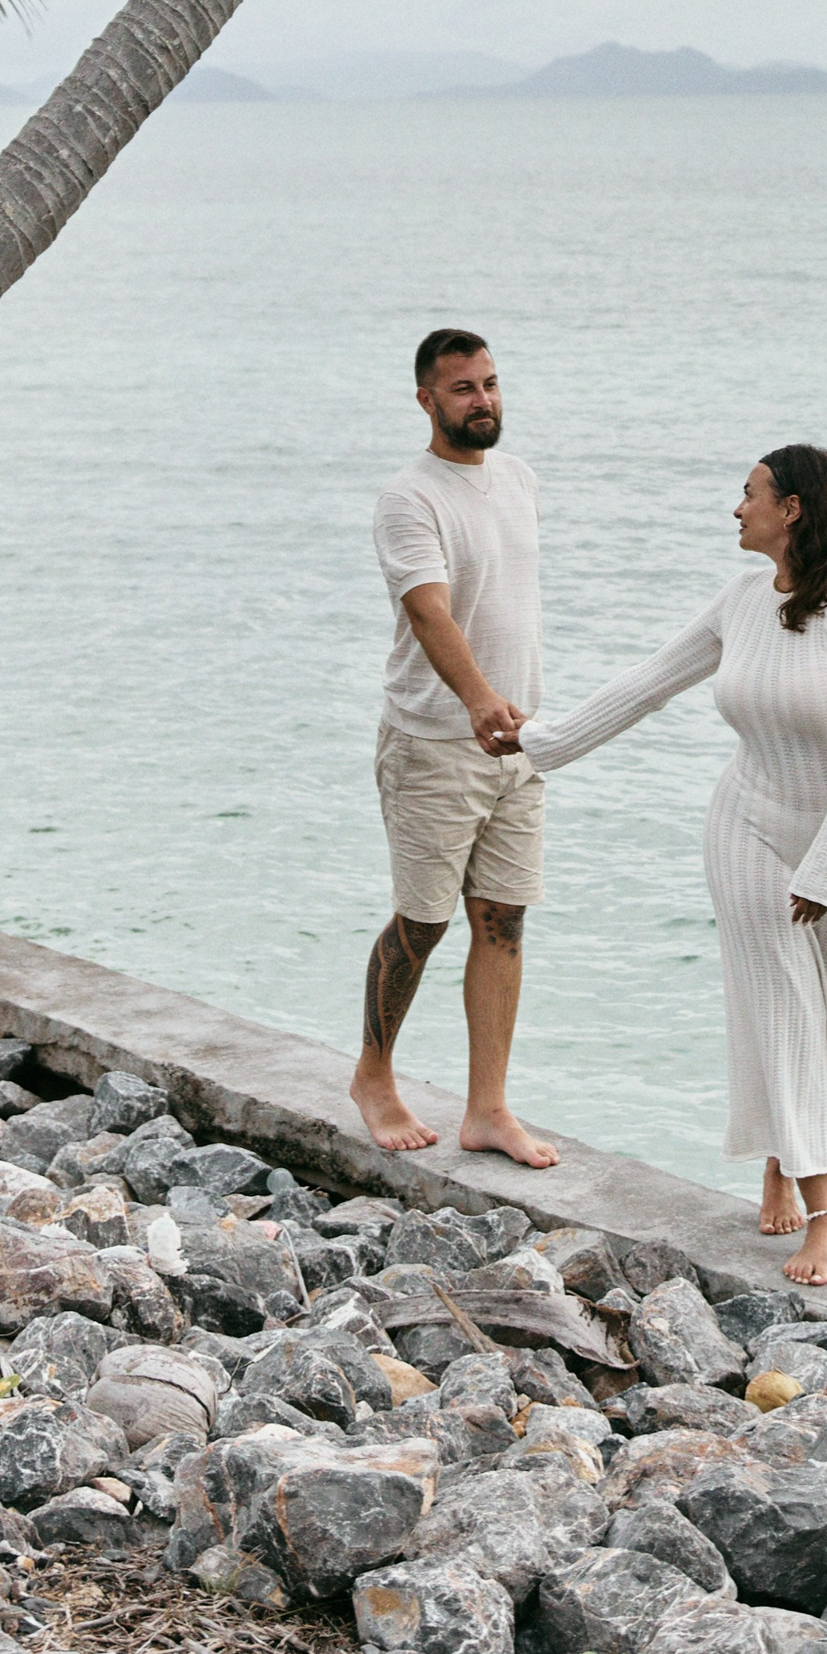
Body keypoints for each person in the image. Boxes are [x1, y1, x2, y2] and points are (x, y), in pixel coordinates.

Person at [512, 444, 827, 1285]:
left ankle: (785, 1159)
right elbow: (653, 680)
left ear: (792, 507)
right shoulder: (739, 597)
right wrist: (537, 744)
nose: (736, 507)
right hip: (750, 820)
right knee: (780, 1000)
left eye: (749, 493)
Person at [348, 328, 559, 1169]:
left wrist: (523, 720)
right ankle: (372, 1074)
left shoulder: (519, 479)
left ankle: (488, 1109)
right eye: (464, 388)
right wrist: (475, 699)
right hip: (435, 742)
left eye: (492, 383)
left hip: (521, 743)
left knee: (503, 920)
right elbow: (429, 608)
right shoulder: (410, 496)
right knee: (426, 920)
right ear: (427, 400)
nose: (484, 400)